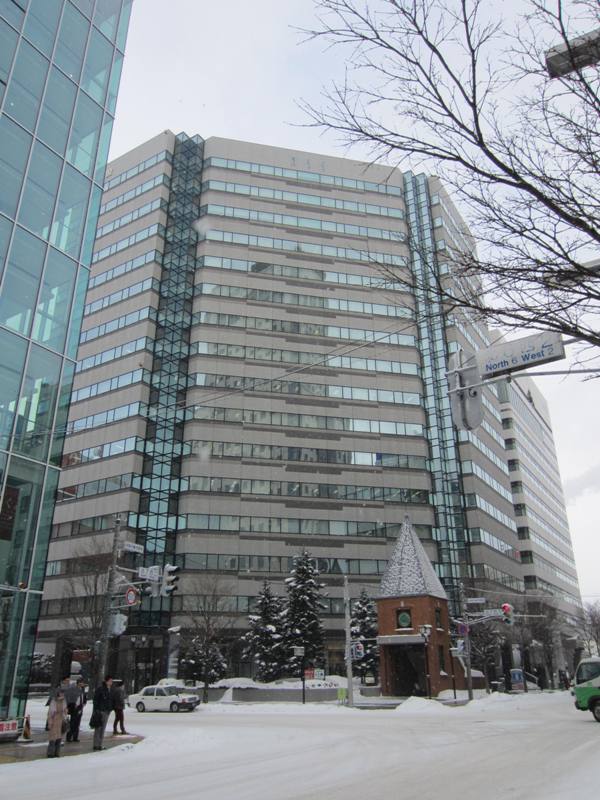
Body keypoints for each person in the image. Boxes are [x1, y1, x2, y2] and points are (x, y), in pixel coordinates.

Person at [92, 675, 113, 751]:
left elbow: (110, 700)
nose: (111, 683)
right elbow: (96, 700)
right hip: (100, 711)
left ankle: (100, 744)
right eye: (110, 681)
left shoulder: (109, 689)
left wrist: (110, 709)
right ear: (106, 681)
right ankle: (96, 744)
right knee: (98, 728)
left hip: (106, 711)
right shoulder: (101, 689)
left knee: (102, 729)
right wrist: (96, 710)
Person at [47, 687, 68, 758]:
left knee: (59, 738)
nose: (62, 694)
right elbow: (50, 713)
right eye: (61, 693)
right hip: (54, 720)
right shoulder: (54, 701)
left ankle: (57, 753)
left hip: (61, 720)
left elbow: (65, 711)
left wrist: (65, 714)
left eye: (63, 693)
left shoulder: (64, 701)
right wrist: (50, 722)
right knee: (52, 738)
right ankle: (50, 753)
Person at [65, 677, 87, 742]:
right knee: (73, 723)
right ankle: (69, 736)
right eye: (81, 682)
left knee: (77, 723)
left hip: (80, 707)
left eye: (83, 683)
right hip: (75, 707)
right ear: (78, 683)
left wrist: (84, 702)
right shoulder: (73, 689)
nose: (82, 684)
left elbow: (83, 697)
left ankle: (75, 737)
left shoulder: (82, 690)